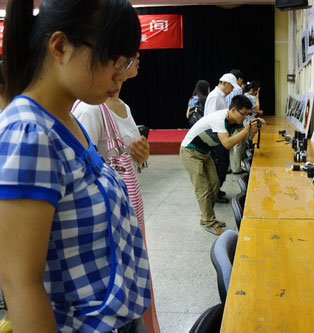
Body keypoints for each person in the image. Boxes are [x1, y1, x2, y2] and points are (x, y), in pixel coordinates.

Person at [0, 1, 150, 332]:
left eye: (125, 62)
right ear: (60, 46)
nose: (121, 73)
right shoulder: (29, 133)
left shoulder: (67, 120)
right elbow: (20, 283)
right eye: (113, 59)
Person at [72, 52, 160, 333]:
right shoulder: (89, 109)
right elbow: (82, 169)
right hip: (110, 222)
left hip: (130, 210)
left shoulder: (121, 105)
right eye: (127, 57)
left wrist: (140, 153)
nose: (133, 63)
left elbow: (123, 158)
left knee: (136, 282)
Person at [180, 95, 261, 235]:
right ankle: (209, 222)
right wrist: (246, 130)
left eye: (248, 115)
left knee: (214, 184)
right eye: (244, 114)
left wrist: (252, 130)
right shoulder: (220, 119)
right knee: (203, 188)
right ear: (234, 110)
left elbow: (246, 139)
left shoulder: (234, 120)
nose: (245, 118)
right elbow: (227, 143)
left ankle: (206, 217)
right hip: (190, 151)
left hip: (204, 152)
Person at [205, 73, 238, 203]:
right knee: (219, 164)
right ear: (224, 83)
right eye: (230, 87)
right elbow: (213, 118)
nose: (231, 90)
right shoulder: (214, 96)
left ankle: (217, 189)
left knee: (223, 164)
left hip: (221, 134)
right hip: (217, 136)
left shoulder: (220, 96)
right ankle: (215, 193)